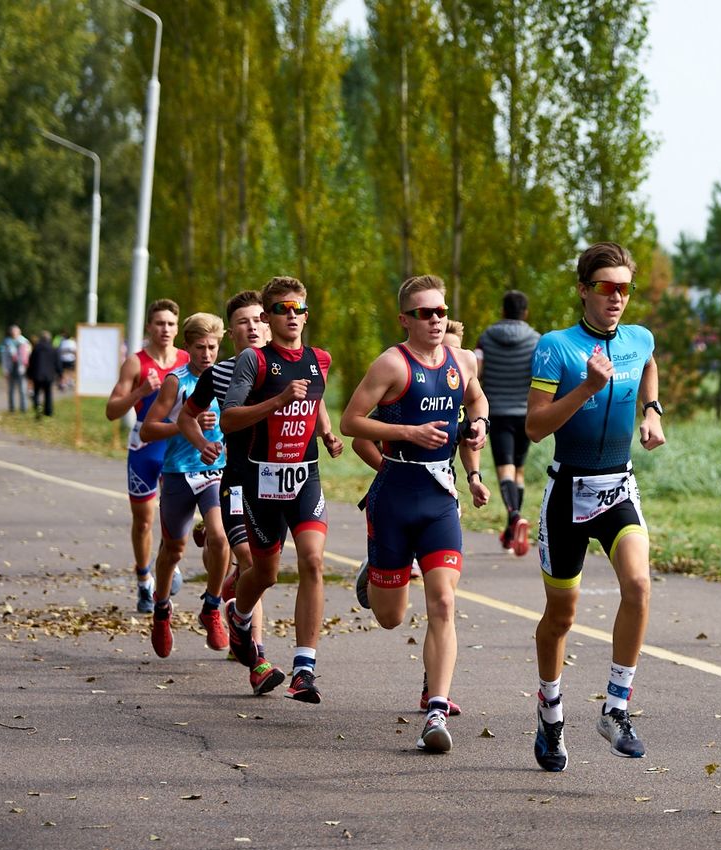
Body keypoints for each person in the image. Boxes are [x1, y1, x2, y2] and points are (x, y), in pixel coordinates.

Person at [524, 241, 666, 772]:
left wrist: (652, 411)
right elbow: (535, 428)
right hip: (568, 490)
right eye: (606, 287)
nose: (617, 298)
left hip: (618, 486)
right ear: (583, 290)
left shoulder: (638, 338)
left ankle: (616, 708)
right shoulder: (556, 347)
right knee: (561, 616)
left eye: (625, 289)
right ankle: (550, 713)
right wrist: (587, 385)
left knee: (639, 585)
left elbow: (648, 364)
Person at [340, 276, 490, 753]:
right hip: (394, 497)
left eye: (441, 311)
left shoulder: (462, 360)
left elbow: (476, 398)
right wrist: (409, 433)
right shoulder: (392, 363)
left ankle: (436, 710)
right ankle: (376, 573)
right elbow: (350, 422)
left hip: (440, 498)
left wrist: (479, 425)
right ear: (405, 319)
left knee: (443, 602)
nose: (436, 320)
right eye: (425, 313)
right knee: (390, 618)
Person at [219, 276, 341, 703]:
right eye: (282, 309)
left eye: (298, 308)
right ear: (268, 318)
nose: (292, 315)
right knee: (266, 573)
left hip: (305, 475)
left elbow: (315, 398)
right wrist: (278, 401)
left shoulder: (319, 358)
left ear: (307, 315)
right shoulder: (253, 361)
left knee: (313, 560)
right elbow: (229, 418)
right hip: (262, 480)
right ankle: (239, 616)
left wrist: (326, 433)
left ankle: (304, 669)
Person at [174, 290, 283, 694]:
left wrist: (325, 435)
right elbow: (186, 417)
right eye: (243, 322)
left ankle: (230, 591)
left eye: (258, 319)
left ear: (268, 324)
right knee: (252, 560)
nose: (252, 327)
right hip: (235, 481)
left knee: (262, 572)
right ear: (231, 332)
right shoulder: (217, 374)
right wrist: (202, 443)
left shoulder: (286, 368)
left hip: (277, 485)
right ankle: (258, 660)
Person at [139, 313, 232, 660]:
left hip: (215, 471)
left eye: (212, 348)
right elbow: (148, 429)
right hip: (178, 471)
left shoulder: (227, 378)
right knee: (173, 550)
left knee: (220, 538)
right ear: (187, 347)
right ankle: (162, 609)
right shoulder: (175, 382)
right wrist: (184, 424)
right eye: (200, 348)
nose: (207, 354)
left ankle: (211, 607)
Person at [105, 300, 189, 613]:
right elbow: (111, 411)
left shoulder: (187, 359)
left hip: (178, 445)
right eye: (159, 323)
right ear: (149, 327)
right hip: (145, 447)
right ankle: (143, 580)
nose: (165, 329)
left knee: (174, 515)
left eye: (170, 324)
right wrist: (140, 392)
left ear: (177, 328)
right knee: (143, 521)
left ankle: (169, 562)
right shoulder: (136, 363)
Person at [475, 290, 541, 555]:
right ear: (525, 312)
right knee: (519, 470)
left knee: (505, 469)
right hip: (525, 413)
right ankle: (512, 530)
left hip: (498, 413)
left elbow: (476, 371)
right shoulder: (536, 340)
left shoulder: (486, 337)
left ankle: (513, 515)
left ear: (503, 311)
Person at [28, 331, 58, 417]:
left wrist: (29, 374)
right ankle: (48, 411)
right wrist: (59, 373)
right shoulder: (53, 349)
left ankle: (37, 408)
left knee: (36, 393)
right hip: (49, 375)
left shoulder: (36, 349)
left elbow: (31, 362)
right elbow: (57, 363)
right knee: (48, 393)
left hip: (37, 375)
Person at [1, 325, 30, 413]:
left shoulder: (24, 342)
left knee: (22, 389)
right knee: (11, 389)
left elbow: (27, 356)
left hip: (21, 367)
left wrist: (26, 367)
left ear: (19, 332)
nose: (14, 333)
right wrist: (5, 369)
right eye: (12, 332)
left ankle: (23, 408)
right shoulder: (7, 342)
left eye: (15, 331)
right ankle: (12, 408)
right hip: (11, 367)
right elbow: (4, 357)